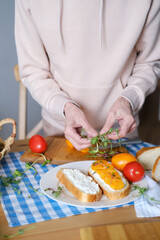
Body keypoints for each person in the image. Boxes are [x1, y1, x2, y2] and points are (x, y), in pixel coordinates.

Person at [15, 0, 160, 150]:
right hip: (60, 133)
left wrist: (129, 99)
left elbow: (149, 63)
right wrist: (64, 107)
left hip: (122, 132)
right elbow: (33, 69)